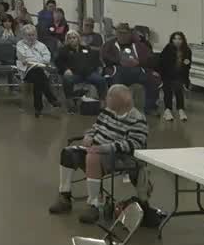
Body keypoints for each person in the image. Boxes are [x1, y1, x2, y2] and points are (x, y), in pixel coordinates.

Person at [49, 84, 149, 224]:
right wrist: (89, 135)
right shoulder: (107, 111)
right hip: (95, 149)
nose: (106, 99)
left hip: (118, 156)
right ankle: (64, 196)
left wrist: (104, 148)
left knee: (93, 157)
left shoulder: (137, 118)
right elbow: (95, 128)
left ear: (119, 100)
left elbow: (135, 144)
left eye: (109, 97)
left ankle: (94, 204)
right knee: (68, 153)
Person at [100, 23, 159, 115]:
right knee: (115, 82)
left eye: (125, 33)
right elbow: (104, 56)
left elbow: (150, 57)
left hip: (137, 68)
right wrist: (119, 61)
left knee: (153, 79)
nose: (122, 35)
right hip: (118, 69)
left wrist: (139, 62)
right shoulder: (109, 44)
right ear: (116, 33)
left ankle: (150, 107)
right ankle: (117, 107)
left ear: (129, 34)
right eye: (120, 33)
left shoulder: (139, 44)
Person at [17, 25, 60, 116]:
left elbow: (47, 58)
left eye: (33, 35)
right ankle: (51, 99)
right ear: (24, 35)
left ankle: (38, 108)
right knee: (39, 75)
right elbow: (24, 58)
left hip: (41, 70)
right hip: (26, 71)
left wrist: (34, 60)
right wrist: (38, 60)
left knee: (38, 78)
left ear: (36, 35)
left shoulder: (41, 45)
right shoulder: (20, 45)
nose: (31, 37)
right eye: (28, 35)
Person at [57, 30, 107, 103]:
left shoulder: (85, 48)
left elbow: (94, 59)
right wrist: (65, 69)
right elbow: (59, 62)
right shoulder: (63, 50)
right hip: (74, 74)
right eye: (70, 38)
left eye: (74, 38)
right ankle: (70, 101)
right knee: (67, 80)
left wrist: (99, 67)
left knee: (101, 80)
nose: (72, 40)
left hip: (88, 73)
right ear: (67, 40)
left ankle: (102, 101)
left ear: (78, 39)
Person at [158, 31, 193, 122]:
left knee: (178, 89)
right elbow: (161, 63)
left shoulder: (187, 51)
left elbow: (187, 66)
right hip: (167, 74)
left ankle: (181, 109)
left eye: (179, 39)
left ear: (183, 40)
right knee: (168, 90)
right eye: (175, 39)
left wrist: (186, 80)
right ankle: (167, 110)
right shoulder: (168, 49)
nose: (177, 41)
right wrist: (161, 77)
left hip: (179, 75)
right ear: (172, 40)